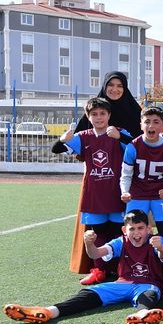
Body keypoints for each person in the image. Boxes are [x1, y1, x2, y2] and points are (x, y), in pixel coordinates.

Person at [4, 210, 163, 324]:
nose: (136, 233)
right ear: (125, 230)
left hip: (147, 284)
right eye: (132, 229)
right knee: (89, 294)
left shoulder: (155, 241)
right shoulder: (121, 241)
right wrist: (89, 243)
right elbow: (96, 254)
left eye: (140, 228)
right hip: (122, 284)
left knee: (150, 295)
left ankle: (141, 315)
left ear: (148, 229)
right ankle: (49, 311)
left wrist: (161, 247)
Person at [68, 71, 142, 277]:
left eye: (120, 85)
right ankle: (97, 267)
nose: (115, 89)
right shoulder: (94, 109)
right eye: (111, 85)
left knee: (125, 224)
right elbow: (79, 144)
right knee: (97, 223)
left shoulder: (134, 112)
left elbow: (142, 142)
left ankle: (125, 266)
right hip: (98, 179)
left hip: (128, 178)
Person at [52, 97, 132, 285]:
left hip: (117, 192)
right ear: (88, 116)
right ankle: (99, 271)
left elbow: (137, 146)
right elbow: (56, 149)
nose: (98, 117)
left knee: (119, 233)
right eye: (94, 114)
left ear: (109, 115)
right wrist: (62, 139)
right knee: (98, 234)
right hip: (94, 194)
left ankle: (121, 269)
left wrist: (121, 138)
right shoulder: (84, 137)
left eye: (102, 113)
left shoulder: (119, 133)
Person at [120, 106, 163, 286]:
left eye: (156, 122)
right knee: (131, 234)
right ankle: (131, 271)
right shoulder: (133, 146)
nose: (151, 125)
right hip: (137, 195)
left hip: (159, 197)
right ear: (141, 125)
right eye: (147, 121)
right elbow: (126, 174)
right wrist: (125, 191)